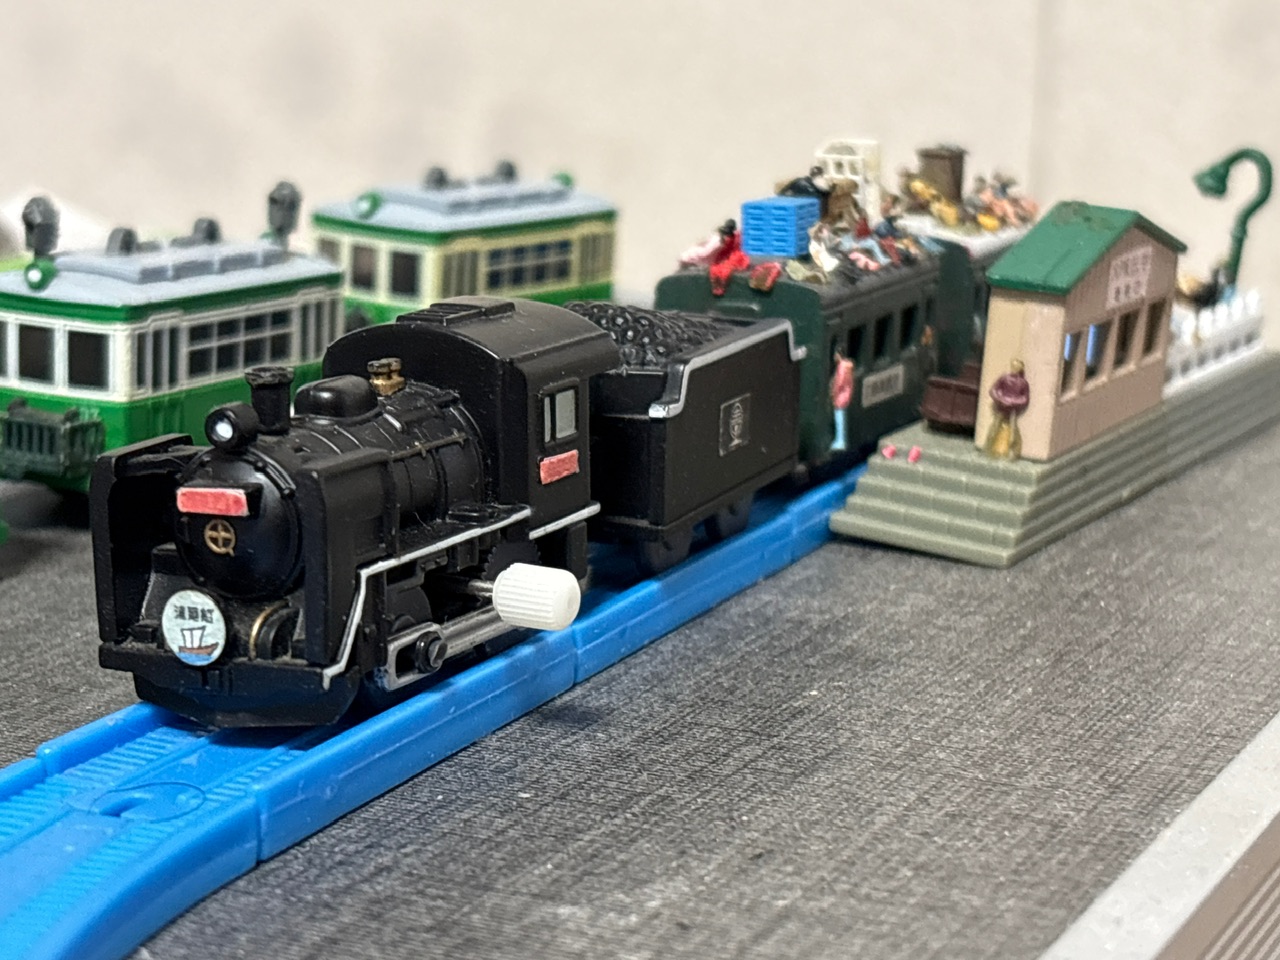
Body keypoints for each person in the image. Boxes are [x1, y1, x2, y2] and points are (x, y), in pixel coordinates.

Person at [984, 359, 1030, 459]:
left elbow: (1025, 399)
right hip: (1001, 407)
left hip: (1013, 409)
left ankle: (1012, 452)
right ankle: (989, 448)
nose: (1014, 369)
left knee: (1013, 429)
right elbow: (993, 390)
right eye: (1013, 366)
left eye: (1017, 367)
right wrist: (1000, 399)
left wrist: (1012, 402)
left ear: (1020, 369)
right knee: (995, 426)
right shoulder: (1004, 378)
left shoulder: (1023, 383)